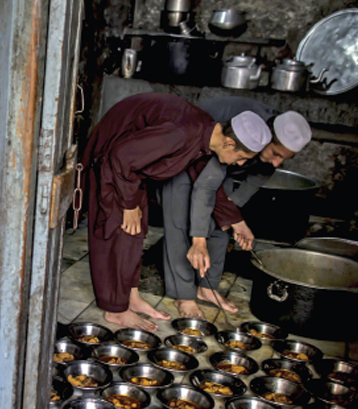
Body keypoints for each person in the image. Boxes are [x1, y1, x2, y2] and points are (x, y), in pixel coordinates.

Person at [81, 93, 271, 332]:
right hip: (110, 164)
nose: (241, 164)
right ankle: (115, 310)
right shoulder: (181, 133)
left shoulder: (205, 136)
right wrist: (128, 205)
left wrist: (236, 220)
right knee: (117, 228)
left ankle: (131, 297)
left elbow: (209, 185)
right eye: (241, 158)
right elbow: (120, 156)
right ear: (229, 143)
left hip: (130, 171)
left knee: (137, 231)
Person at [162, 96, 312, 319]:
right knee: (180, 221)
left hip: (226, 162)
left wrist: (236, 221)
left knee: (221, 227)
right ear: (266, 138)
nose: (278, 164)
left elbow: (232, 203)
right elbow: (205, 187)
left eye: (285, 159)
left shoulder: (264, 157)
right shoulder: (247, 129)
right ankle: (183, 294)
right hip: (188, 155)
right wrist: (199, 239)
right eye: (276, 154)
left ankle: (207, 288)